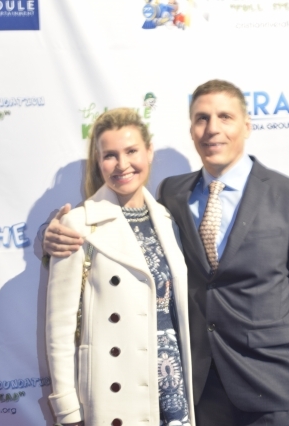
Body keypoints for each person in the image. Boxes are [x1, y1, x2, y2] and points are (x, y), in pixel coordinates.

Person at [44, 80, 289, 426]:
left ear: (247, 126)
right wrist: (51, 237)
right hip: (201, 391)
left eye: (225, 117)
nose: (212, 128)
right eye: (202, 118)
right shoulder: (172, 195)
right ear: (191, 130)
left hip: (278, 388)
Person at [45, 108, 195, 426]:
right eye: (110, 155)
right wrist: (67, 409)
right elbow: (59, 327)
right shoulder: (78, 224)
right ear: (98, 162)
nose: (122, 164)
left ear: (149, 152)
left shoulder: (167, 219)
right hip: (117, 391)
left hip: (172, 384)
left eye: (131, 151)